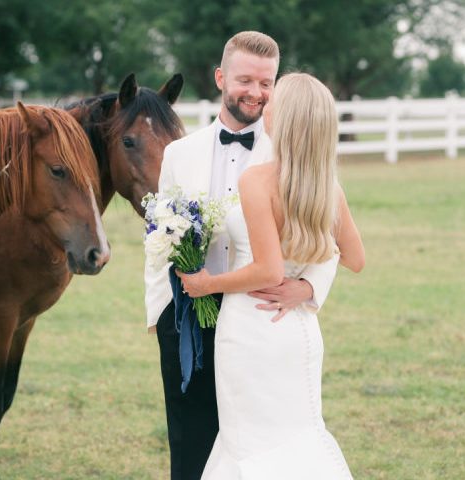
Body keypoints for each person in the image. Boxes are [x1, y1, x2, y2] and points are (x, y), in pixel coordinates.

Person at [145, 32, 362, 480]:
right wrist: (161, 315)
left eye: (267, 84)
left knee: (257, 437)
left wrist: (308, 286)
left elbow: (321, 239)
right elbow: (159, 235)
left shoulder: (288, 149)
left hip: (259, 312)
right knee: (191, 438)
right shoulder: (178, 154)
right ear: (221, 78)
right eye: (246, 80)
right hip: (190, 317)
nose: (257, 93)